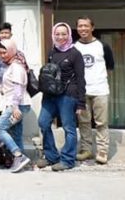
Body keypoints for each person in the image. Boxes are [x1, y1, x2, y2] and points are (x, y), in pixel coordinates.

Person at [37, 22, 86, 171]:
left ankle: (67, 160)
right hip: (50, 95)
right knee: (43, 122)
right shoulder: (52, 52)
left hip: (68, 94)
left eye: (64, 34)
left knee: (68, 128)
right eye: (57, 34)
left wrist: (81, 102)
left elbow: (80, 79)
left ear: (69, 35)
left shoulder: (75, 54)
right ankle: (51, 156)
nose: (60, 37)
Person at [74, 16, 115, 165]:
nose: (83, 29)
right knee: (83, 122)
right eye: (80, 26)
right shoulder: (74, 47)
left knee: (101, 122)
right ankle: (86, 150)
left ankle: (102, 151)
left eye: (86, 26)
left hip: (100, 89)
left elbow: (110, 67)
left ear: (92, 27)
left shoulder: (102, 46)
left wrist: (98, 79)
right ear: (77, 28)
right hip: (82, 91)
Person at [0, 39, 32, 173]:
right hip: (16, 104)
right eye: (1, 53)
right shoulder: (12, 65)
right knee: (16, 133)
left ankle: (18, 155)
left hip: (17, 105)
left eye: (5, 52)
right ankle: (22, 162)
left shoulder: (16, 67)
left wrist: (15, 107)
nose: (3, 55)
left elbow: (18, 88)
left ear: (11, 51)